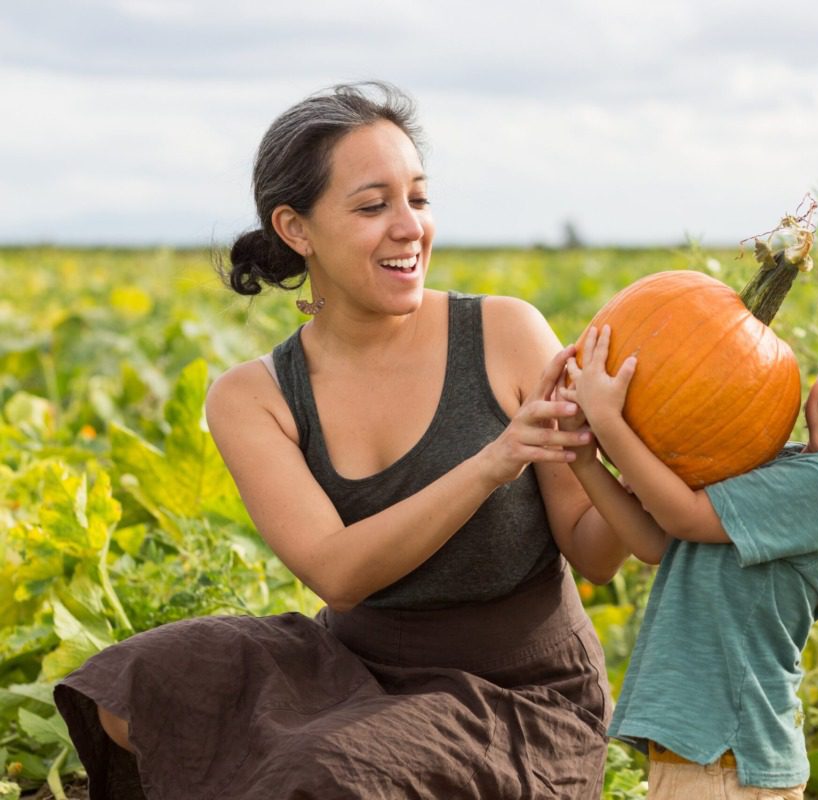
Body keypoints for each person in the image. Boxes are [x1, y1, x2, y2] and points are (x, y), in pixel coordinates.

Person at [53, 81, 629, 799]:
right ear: (297, 229)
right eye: (372, 205)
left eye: (417, 199)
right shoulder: (253, 396)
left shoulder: (506, 332)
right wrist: (493, 462)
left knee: (323, 773)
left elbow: (596, 553)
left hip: (520, 696)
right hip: (353, 666)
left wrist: (638, 454)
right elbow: (339, 574)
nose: (409, 227)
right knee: (130, 683)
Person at [558, 297, 818, 798]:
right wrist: (587, 460)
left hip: (729, 762)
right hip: (708, 755)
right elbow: (658, 542)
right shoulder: (784, 464)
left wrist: (610, 420)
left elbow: (685, 515)